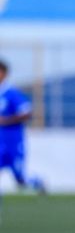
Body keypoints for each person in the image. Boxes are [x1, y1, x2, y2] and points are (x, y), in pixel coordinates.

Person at [0, 59, 45, 216]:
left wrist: (7, 120)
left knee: (20, 180)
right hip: (0, 143)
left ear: (4, 73)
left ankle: (37, 183)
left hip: (13, 142)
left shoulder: (11, 93)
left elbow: (27, 112)